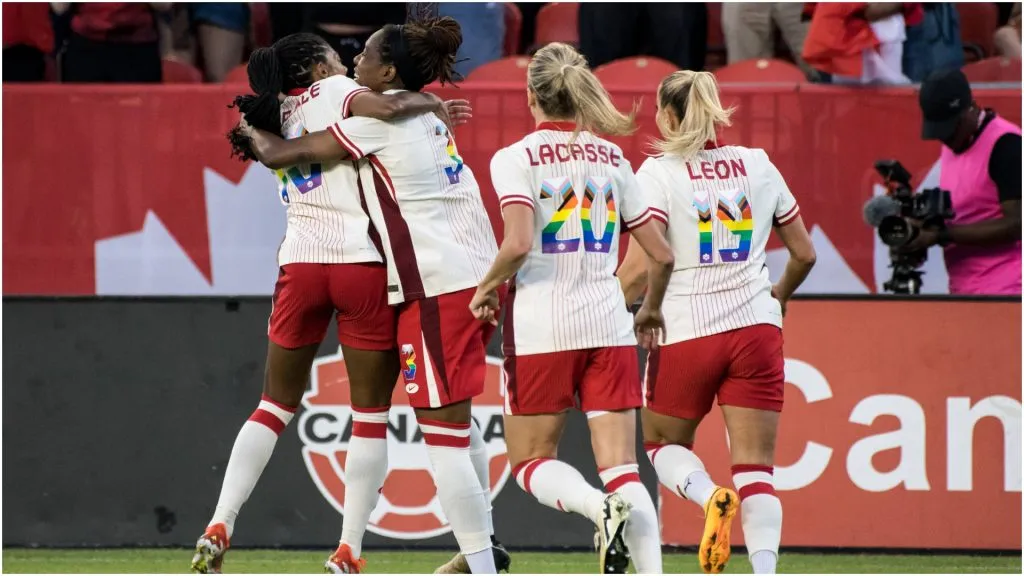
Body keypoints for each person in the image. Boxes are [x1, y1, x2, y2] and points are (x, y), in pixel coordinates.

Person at [237, 17, 509, 575]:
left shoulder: (374, 125)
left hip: (436, 285)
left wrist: (247, 127)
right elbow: (403, 105)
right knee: (456, 424)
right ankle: (483, 547)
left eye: (366, 53)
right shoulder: (426, 117)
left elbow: (282, 154)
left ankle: (481, 563)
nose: (354, 58)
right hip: (472, 276)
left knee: (443, 438)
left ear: (387, 73)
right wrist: (430, 102)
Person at [469, 42, 675, 575]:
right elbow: (661, 254)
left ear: (530, 94)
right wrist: (650, 310)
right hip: (608, 323)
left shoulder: (515, 158)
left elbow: (518, 244)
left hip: (542, 325)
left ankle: (595, 508)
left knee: (531, 462)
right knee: (624, 470)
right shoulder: (614, 159)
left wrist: (487, 286)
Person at [617, 70, 816, 575]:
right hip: (756, 329)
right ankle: (765, 570)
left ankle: (709, 497)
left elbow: (639, 268)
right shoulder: (758, 163)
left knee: (662, 444)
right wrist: (779, 295)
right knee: (757, 470)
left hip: (686, 329)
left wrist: (607, 311)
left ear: (667, 115)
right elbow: (804, 254)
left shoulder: (657, 173)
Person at [903, 68, 1021, 295]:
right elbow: (966, 211)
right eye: (939, 131)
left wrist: (942, 235)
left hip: (1008, 289)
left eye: (950, 128)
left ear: (972, 108)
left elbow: (1017, 224)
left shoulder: (1007, 146)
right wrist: (923, 226)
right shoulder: (953, 143)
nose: (945, 138)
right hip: (963, 288)